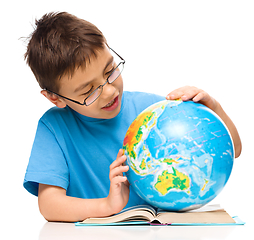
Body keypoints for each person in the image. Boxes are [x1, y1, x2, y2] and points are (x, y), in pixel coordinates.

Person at [23, 12, 242, 223]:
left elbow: (233, 150)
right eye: (88, 91)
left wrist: (214, 108)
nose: (109, 91)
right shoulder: (54, 127)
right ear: (55, 98)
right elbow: (49, 205)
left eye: (110, 71)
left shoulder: (155, 112)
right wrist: (108, 206)